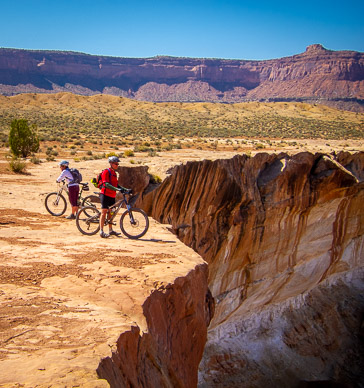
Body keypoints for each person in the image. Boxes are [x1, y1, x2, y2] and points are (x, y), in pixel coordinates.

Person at [99, 156, 129, 238]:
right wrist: (117, 189)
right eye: (116, 163)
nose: (117, 165)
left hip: (112, 195)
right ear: (111, 163)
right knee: (104, 212)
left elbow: (116, 185)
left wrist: (125, 189)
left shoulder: (114, 174)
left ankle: (110, 230)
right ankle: (101, 231)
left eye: (117, 164)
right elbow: (106, 184)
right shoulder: (106, 172)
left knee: (111, 212)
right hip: (105, 194)